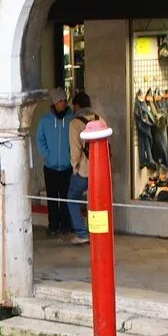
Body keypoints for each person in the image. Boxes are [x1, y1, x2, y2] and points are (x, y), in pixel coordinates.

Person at [34, 88, 73, 236]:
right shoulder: (45, 120)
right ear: (54, 103)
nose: (62, 103)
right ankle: (53, 226)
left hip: (66, 167)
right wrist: (47, 155)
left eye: (64, 100)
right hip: (50, 167)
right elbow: (39, 139)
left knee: (65, 198)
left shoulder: (71, 119)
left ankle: (65, 225)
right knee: (52, 198)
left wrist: (70, 157)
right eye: (59, 100)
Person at [65, 92, 99, 246]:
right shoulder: (100, 119)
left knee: (72, 200)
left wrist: (74, 167)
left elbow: (75, 149)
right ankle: (96, 231)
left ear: (77, 106)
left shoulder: (75, 123)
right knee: (94, 202)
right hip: (99, 170)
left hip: (83, 170)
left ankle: (81, 233)